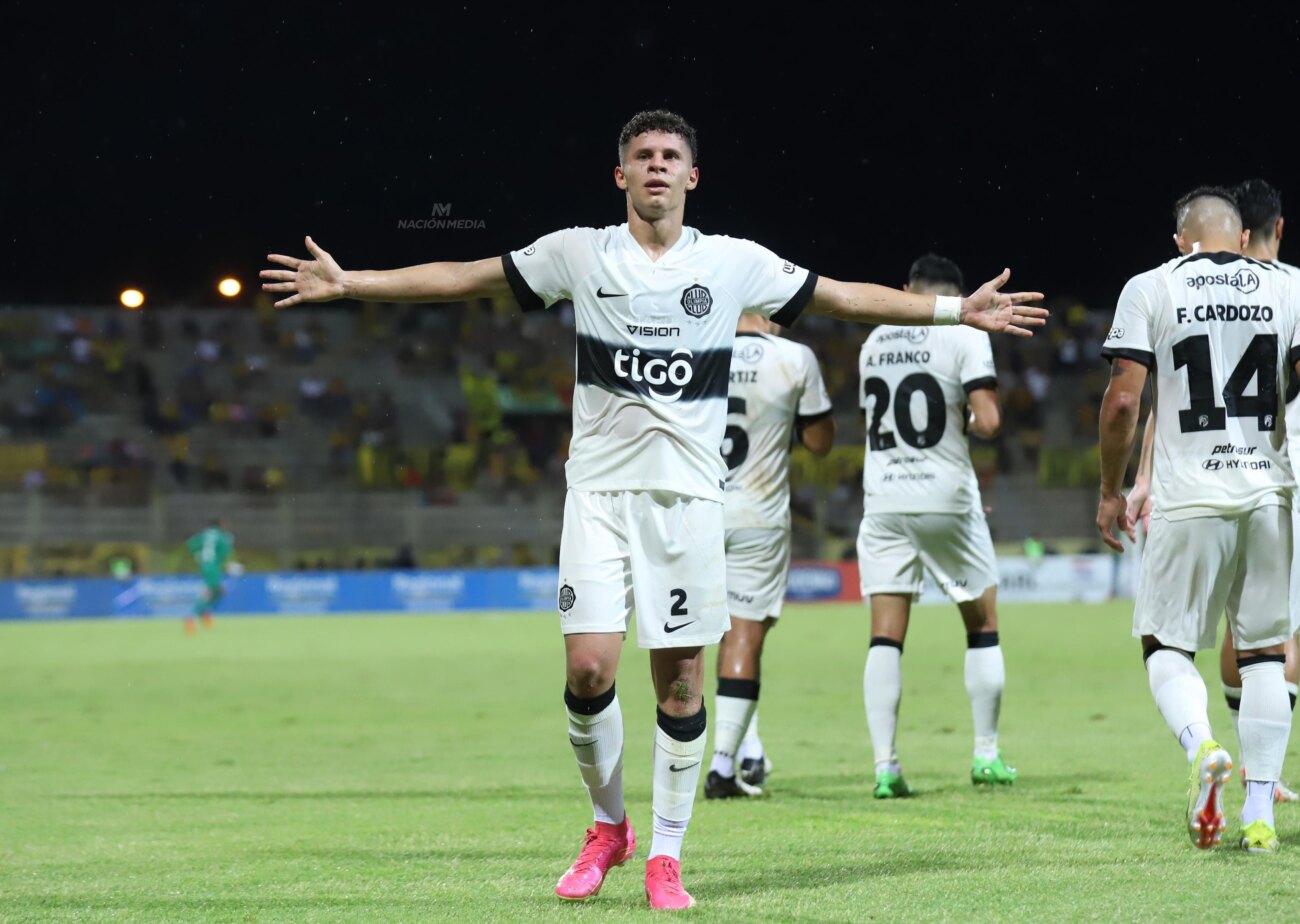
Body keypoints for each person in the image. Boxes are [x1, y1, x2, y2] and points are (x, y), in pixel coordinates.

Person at [262, 110, 1046, 910]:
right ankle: (609, 827)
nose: (658, 165)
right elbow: (468, 274)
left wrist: (957, 311)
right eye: (643, 155)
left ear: (692, 176)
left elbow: (842, 296)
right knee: (588, 669)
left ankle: (666, 857)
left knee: (679, 684)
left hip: (688, 502)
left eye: (672, 155)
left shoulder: (734, 262)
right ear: (622, 175)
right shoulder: (580, 252)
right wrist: (352, 282)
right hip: (599, 497)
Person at [1097, 187, 1299, 853]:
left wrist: (1112, 488)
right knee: (1265, 655)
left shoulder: (1151, 286)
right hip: (1269, 494)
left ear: (1180, 242)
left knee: (1166, 647)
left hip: (1188, 497)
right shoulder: (1290, 287)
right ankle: (1260, 815)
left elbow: (1123, 402)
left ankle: (1203, 746)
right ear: (1242, 238)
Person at [855, 254, 1013, 798]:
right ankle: (986, 755)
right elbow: (988, 421)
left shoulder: (874, 342)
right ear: (959, 296)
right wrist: (964, 417)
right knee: (982, 623)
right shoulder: (965, 333)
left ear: (907, 291)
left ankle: (885, 768)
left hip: (883, 498)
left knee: (885, 635)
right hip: (944, 495)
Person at [704, 312, 834, 800]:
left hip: (695, 512)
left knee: (695, 639)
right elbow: (820, 443)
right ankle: (723, 765)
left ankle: (745, 748)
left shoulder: (694, 346)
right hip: (757, 514)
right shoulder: (794, 357)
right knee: (745, 635)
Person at [185, 518, 234, 633]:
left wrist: (198, 555)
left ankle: (205, 614)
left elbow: (191, 544)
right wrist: (227, 565)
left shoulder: (204, 535)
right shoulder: (222, 536)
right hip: (213, 566)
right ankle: (190, 618)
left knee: (219, 591)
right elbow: (225, 551)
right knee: (210, 592)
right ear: (220, 525)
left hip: (205, 565)